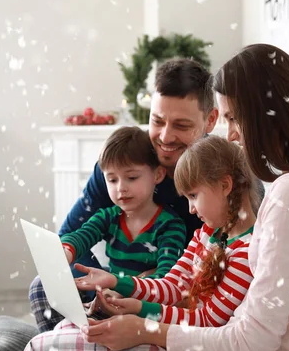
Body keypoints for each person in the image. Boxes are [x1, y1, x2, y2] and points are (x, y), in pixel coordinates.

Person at [23, 44, 289, 351]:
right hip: (198, 330)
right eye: (158, 121)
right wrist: (122, 288)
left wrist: (145, 325)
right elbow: (177, 283)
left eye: (234, 119)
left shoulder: (278, 192)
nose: (233, 136)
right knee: (63, 317)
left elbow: (242, 333)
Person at [29, 58, 219, 332]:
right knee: (43, 286)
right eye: (158, 121)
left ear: (210, 120)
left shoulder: (225, 174)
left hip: (184, 296)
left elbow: (232, 261)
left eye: (181, 125)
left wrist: (144, 285)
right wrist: (105, 284)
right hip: (116, 285)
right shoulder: (122, 164)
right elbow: (69, 236)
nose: (165, 136)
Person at [73, 136, 258, 327]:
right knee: (68, 328)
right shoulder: (205, 234)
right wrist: (114, 281)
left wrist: (138, 309)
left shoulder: (246, 252)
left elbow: (207, 320)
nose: (190, 209)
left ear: (225, 185)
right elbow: (170, 287)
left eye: (193, 196)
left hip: (190, 344)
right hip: (176, 332)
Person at [60, 126, 186, 288]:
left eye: (131, 177)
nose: (121, 188)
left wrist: (120, 288)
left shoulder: (170, 225)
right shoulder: (108, 217)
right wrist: (67, 251)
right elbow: (80, 236)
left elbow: (167, 276)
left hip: (146, 306)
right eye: (112, 180)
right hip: (109, 296)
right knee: (40, 288)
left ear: (157, 175)